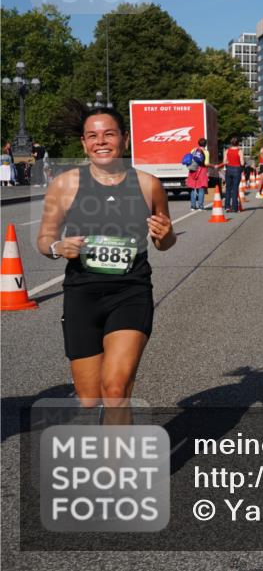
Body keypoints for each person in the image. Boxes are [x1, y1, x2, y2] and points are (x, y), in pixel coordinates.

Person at [36, 102, 175, 417]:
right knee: (89, 399)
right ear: (84, 143)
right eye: (92, 136)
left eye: (109, 134)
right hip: (82, 295)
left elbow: (165, 241)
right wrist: (59, 247)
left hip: (131, 291)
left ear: (124, 139)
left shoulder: (147, 184)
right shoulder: (65, 184)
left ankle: (115, 465)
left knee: (115, 389)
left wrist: (165, 234)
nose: (101, 141)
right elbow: (44, 239)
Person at [184, 138, 210, 210]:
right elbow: (206, 163)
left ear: (198, 143)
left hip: (193, 170)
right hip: (202, 170)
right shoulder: (206, 152)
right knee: (201, 188)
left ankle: (192, 206)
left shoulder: (193, 150)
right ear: (205, 144)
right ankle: (200, 206)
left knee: (193, 188)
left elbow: (190, 159)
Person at [222, 137, 244, 212]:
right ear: (238, 143)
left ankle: (227, 207)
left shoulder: (227, 150)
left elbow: (224, 161)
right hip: (237, 170)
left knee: (228, 189)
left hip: (229, 169)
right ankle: (235, 207)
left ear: (231, 143)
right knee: (235, 189)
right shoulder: (239, 151)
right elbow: (242, 163)